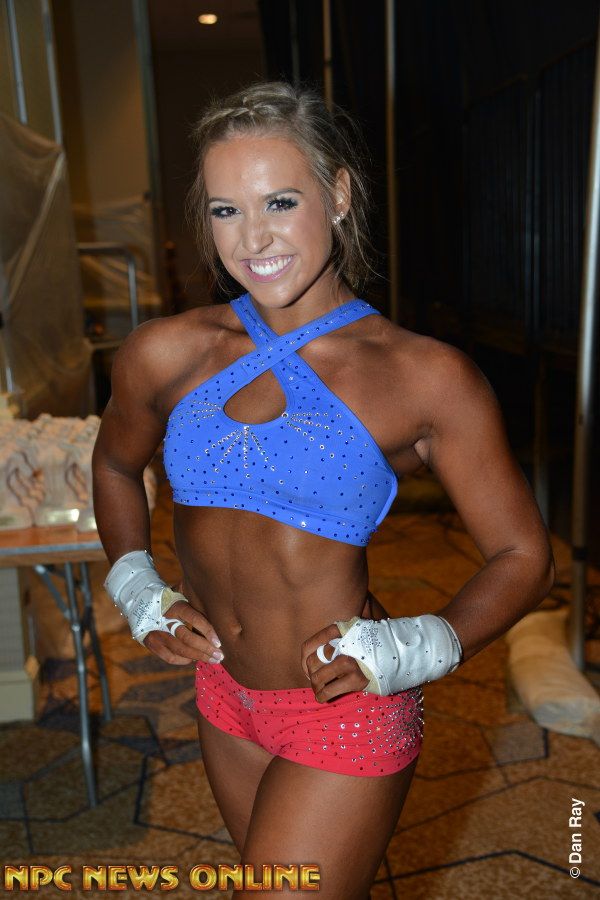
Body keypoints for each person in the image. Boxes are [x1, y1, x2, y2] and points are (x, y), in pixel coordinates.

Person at [92, 81, 555, 898]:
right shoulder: (165, 352)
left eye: (280, 201)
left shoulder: (422, 376)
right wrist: (137, 586)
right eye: (226, 210)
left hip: (344, 705)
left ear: (338, 195)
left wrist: (418, 645)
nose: (253, 238)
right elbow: (114, 466)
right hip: (223, 695)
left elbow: (524, 555)